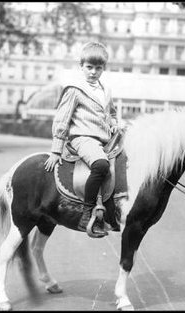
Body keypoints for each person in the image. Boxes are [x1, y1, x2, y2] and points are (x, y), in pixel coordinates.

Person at [44, 42, 119, 237]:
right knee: (101, 165)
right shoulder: (74, 89)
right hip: (82, 137)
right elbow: (62, 119)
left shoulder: (105, 90)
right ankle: (87, 213)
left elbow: (111, 113)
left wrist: (113, 123)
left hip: (104, 139)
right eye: (89, 67)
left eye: (98, 68)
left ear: (104, 68)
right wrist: (55, 150)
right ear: (81, 66)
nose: (93, 72)